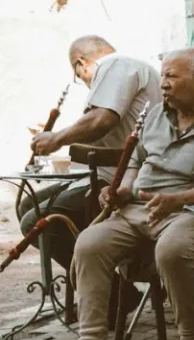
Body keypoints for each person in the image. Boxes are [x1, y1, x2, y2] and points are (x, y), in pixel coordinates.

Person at [31, 48, 194, 340]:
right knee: (89, 244)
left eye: (171, 77)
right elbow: (136, 162)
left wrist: (177, 199)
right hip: (138, 209)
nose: (162, 84)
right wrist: (121, 190)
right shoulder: (154, 116)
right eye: (162, 76)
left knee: (173, 249)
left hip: (190, 212)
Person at [19, 36, 158, 270]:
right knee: (27, 206)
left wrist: (56, 139)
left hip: (123, 176)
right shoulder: (129, 67)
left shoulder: (115, 64)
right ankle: (91, 285)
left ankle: (111, 294)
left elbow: (102, 120)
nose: (85, 82)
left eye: (80, 77)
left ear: (81, 63)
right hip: (116, 169)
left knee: (37, 222)